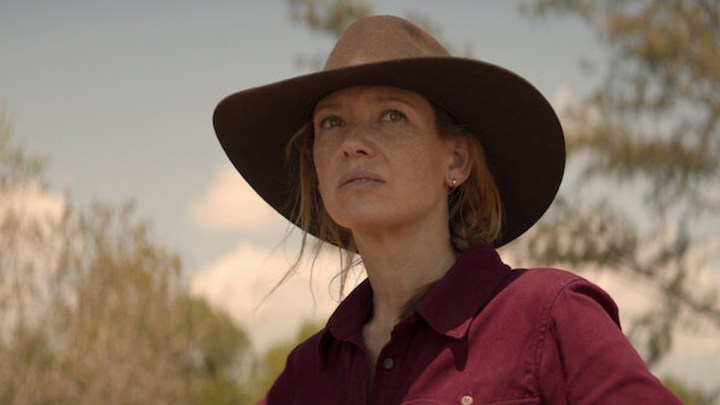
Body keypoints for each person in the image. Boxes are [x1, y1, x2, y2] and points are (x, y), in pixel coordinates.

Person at [213, 15, 681, 405]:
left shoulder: (548, 316)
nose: (352, 144)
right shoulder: (307, 375)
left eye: (392, 115)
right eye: (331, 123)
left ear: (456, 160)